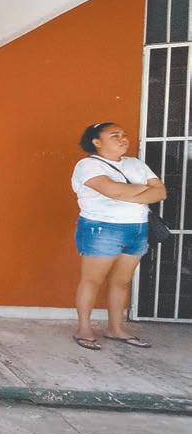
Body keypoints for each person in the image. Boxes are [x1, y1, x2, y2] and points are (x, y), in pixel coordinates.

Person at [70, 122, 166, 350]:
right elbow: (114, 191)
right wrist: (143, 190)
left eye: (124, 134)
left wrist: (125, 193)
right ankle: (84, 329)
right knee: (92, 280)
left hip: (137, 228)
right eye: (115, 135)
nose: (123, 138)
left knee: (121, 281)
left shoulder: (135, 163)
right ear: (96, 142)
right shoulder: (88, 165)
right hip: (102, 229)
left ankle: (115, 328)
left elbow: (161, 192)